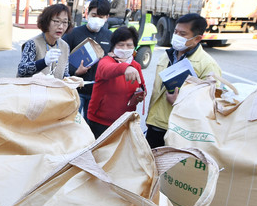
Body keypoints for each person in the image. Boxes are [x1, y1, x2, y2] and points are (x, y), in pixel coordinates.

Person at [145, 13, 221, 149]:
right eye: (175, 32)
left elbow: (212, 105)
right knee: (149, 166)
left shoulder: (208, 65)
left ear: (197, 38)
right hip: (155, 125)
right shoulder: (166, 56)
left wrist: (180, 103)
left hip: (180, 129)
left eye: (183, 34)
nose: (177, 36)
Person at [87, 26, 146, 138]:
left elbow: (142, 86)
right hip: (100, 122)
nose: (125, 48)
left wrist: (140, 95)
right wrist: (125, 67)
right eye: (121, 44)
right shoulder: (106, 61)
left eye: (129, 45)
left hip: (124, 121)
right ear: (113, 46)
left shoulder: (136, 66)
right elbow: (107, 70)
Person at [63, 0, 112, 121]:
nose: (97, 19)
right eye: (94, 15)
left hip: (98, 92)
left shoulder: (110, 36)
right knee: (73, 125)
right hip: (76, 91)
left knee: (92, 128)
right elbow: (61, 59)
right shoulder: (73, 34)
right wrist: (75, 71)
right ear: (87, 14)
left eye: (101, 17)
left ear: (107, 17)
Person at [17, 3, 72, 79]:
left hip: (55, 90)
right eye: (56, 21)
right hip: (33, 89)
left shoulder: (65, 46)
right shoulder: (33, 43)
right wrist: (44, 62)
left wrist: (71, 80)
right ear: (46, 22)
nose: (61, 26)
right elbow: (21, 70)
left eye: (65, 22)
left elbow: (65, 73)